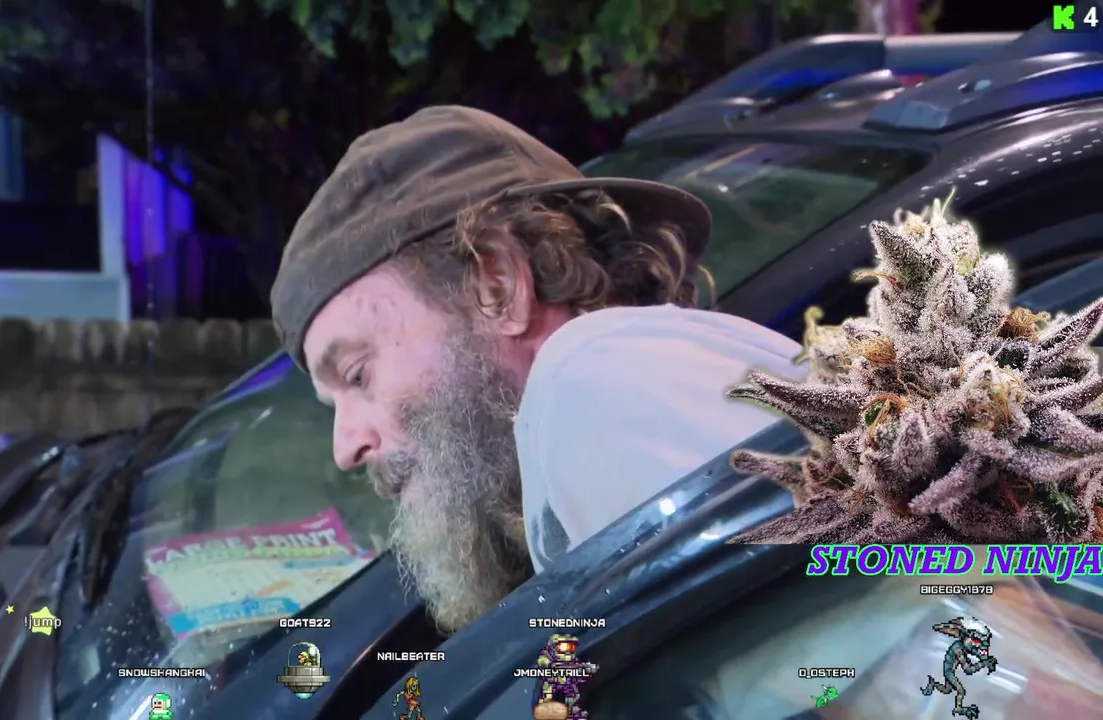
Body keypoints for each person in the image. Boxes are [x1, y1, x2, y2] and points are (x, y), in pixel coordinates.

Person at [270, 105, 805, 633]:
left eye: (358, 374)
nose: (345, 447)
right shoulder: (604, 397)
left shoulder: (599, 385)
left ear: (497, 285)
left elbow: (823, 644)